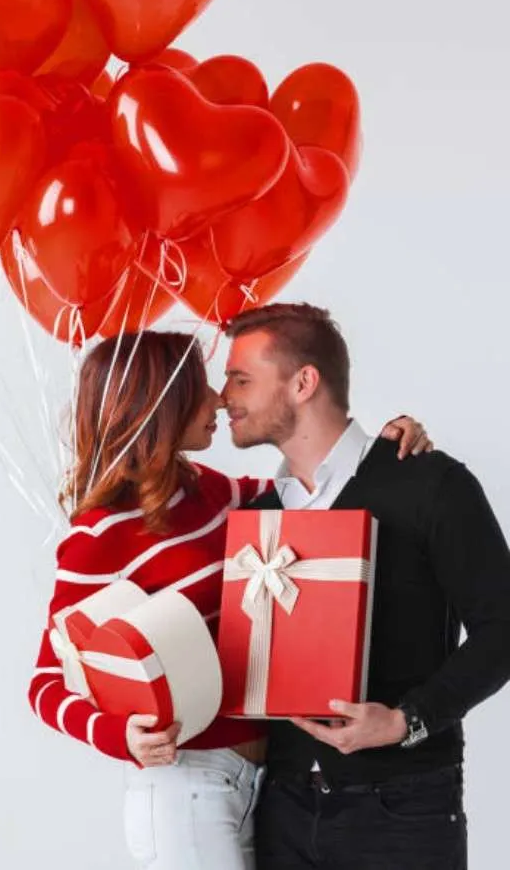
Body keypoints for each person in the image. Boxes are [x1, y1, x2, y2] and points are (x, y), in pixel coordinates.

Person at [28, 330, 431, 870]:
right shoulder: (98, 535)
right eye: (201, 386)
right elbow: (45, 681)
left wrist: (380, 448)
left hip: (262, 782)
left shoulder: (213, 492)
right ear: (161, 404)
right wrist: (119, 736)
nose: (219, 398)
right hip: (185, 785)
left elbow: (308, 493)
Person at [219, 302, 510, 870]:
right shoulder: (256, 512)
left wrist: (406, 720)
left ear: (304, 382)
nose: (223, 396)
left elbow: (503, 628)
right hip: (282, 807)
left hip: (405, 809)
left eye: (241, 379)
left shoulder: (430, 484)